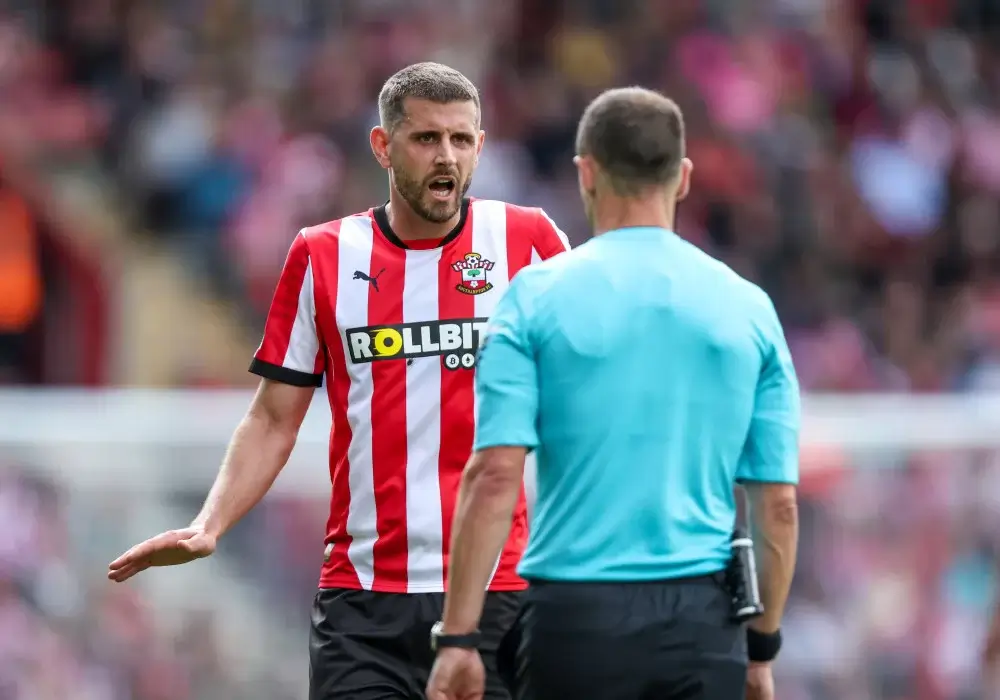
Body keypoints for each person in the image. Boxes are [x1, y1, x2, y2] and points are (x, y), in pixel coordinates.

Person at [107, 62, 570, 700]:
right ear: (383, 145)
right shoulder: (323, 255)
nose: (446, 157)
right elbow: (274, 418)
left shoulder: (530, 242)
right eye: (426, 138)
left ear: (481, 147)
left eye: (462, 140)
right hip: (364, 604)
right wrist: (209, 523)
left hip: (502, 594)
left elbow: (590, 389)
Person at [426, 87, 800, 700]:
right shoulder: (749, 309)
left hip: (575, 620)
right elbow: (777, 506)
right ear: (681, 179)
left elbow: (494, 474)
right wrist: (760, 650)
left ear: (586, 172)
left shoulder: (532, 298)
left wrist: (459, 639)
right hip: (703, 624)